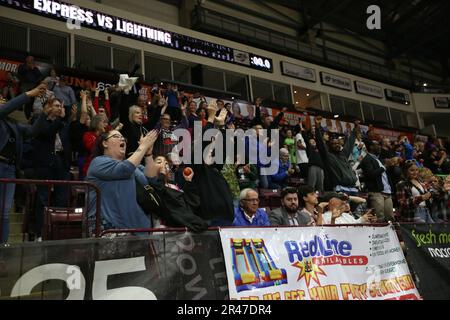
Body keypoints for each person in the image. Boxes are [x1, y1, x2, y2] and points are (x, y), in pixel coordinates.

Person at [86, 130, 158, 232]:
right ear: (105, 143)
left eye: (123, 137)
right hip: (110, 228)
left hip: (139, 229)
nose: (122, 139)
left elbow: (152, 179)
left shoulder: (133, 166)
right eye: (116, 136)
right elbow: (125, 169)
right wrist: (143, 146)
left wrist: (148, 154)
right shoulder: (98, 162)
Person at [0, 83, 46, 242]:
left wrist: (44, 114)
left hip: (9, 169)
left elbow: (32, 131)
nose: (3, 101)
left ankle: (2, 250)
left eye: (4, 99)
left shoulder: (13, 123)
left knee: (4, 214)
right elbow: (5, 109)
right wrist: (29, 94)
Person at [31, 97, 72, 239]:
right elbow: (47, 133)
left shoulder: (63, 123)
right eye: (56, 105)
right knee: (43, 199)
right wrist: (59, 119)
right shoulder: (40, 120)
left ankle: (57, 233)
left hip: (61, 163)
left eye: (61, 106)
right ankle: (40, 233)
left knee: (62, 199)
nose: (60, 108)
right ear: (48, 107)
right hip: (44, 164)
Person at [314, 116, 359, 193]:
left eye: (338, 143)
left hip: (353, 187)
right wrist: (317, 128)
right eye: (334, 144)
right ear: (329, 146)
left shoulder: (343, 154)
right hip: (340, 188)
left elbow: (350, 142)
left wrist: (355, 128)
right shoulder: (328, 156)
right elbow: (320, 143)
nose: (337, 145)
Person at [358, 140, 394, 222]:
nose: (380, 147)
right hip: (376, 192)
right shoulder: (367, 159)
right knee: (378, 218)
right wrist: (384, 166)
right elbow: (371, 174)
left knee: (390, 218)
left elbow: (385, 177)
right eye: (377, 145)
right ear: (371, 147)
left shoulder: (379, 160)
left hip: (387, 192)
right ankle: (379, 235)